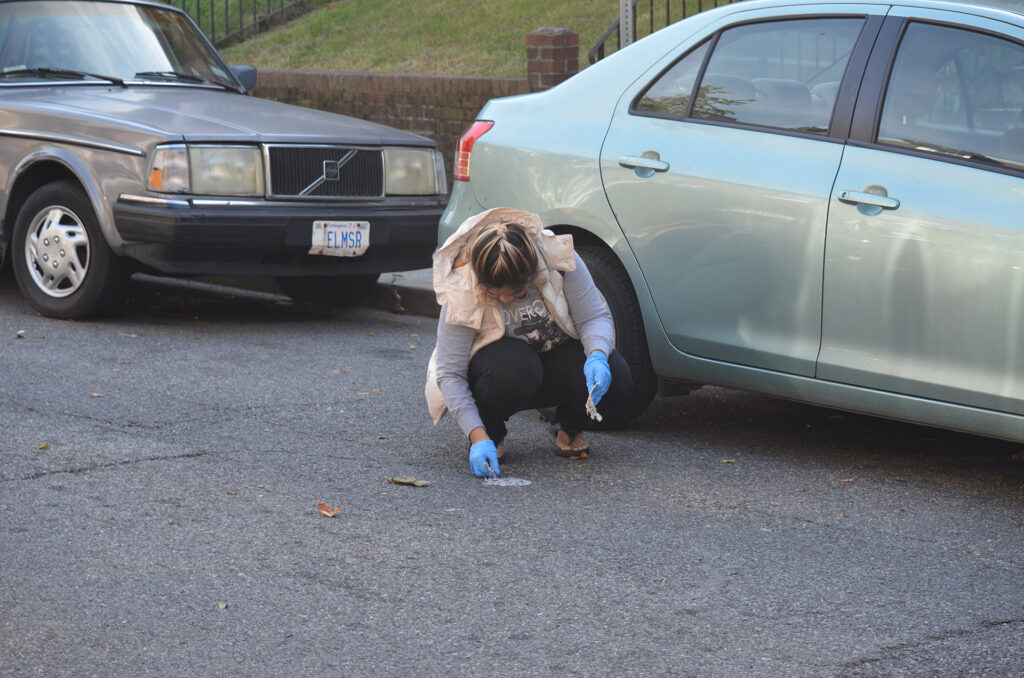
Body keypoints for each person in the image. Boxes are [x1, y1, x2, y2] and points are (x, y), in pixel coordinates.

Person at [425, 207, 633, 478]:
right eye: (495, 294)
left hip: (553, 357)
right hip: (503, 373)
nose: (507, 300)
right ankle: (490, 432)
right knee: (516, 366)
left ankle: (569, 426)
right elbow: (450, 374)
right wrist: (477, 437)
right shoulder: (462, 287)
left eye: (517, 293)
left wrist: (596, 355)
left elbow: (594, 317)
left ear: (533, 275)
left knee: (618, 376)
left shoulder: (560, 261)